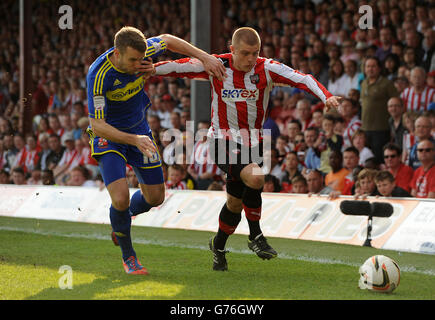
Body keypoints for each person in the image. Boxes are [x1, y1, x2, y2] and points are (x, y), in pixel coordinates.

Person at [155, 27, 341, 271]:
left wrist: (325, 96)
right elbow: (180, 67)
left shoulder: (267, 69)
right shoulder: (217, 65)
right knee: (255, 177)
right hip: (221, 141)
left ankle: (218, 246)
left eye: (255, 53)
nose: (251, 59)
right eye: (245, 53)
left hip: (252, 144)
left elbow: (303, 78)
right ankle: (255, 235)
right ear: (232, 50)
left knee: (234, 203)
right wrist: (150, 70)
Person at [86, 26, 226, 275]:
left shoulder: (142, 52)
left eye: (141, 59)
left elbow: (169, 40)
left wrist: (205, 57)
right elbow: (97, 125)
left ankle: (123, 218)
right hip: (110, 137)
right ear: (117, 54)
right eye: (133, 60)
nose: (139, 64)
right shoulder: (98, 74)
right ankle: (129, 258)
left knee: (156, 198)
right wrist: (133, 139)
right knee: (120, 198)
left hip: (140, 131)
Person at [360, 56, 399, 163]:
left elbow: (397, 102)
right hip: (366, 128)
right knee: (367, 159)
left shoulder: (387, 84)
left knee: (379, 159)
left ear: (379, 68)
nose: (370, 69)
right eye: (368, 66)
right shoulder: (363, 83)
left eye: (373, 66)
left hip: (381, 128)